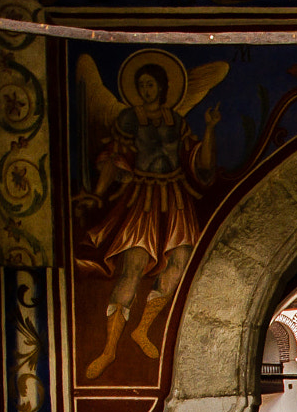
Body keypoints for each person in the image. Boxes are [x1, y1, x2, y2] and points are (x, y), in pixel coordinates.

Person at [75, 55, 222, 380]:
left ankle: (143, 329)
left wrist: (210, 128)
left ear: (163, 87)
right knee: (132, 267)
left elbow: (200, 161)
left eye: (150, 84)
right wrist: (98, 193)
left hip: (175, 198)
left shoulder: (177, 122)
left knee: (180, 263)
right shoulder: (130, 119)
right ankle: (109, 348)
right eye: (140, 85)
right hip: (142, 199)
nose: (145, 90)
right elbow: (114, 158)